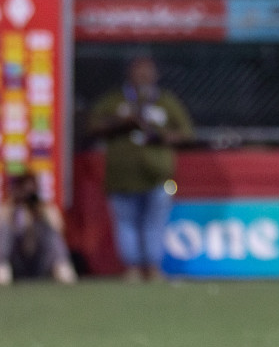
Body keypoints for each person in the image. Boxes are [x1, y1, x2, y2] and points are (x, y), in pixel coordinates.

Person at [86, 55, 192, 281]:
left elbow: (185, 133)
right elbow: (93, 127)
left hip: (158, 175)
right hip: (122, 176)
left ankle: (153, 267)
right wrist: (121, 123)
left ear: (155, 75)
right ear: (129, 74)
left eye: (148, 71)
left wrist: (159, 135)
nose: (143, 76)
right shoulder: (115, 101)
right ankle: (132, 268)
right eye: (138, 71)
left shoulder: (165, 101)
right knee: (126, 223)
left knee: (154, 223)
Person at [0, 172, 77, 284]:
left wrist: (40, 211)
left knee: (49, 230)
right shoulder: (9, 208)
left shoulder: (43, 208)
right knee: (5, 229)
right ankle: (2, 268)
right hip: (16, 261)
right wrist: (13, 205)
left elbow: (59, 228)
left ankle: (62, 267)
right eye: (23, 188)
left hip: (38, 260)